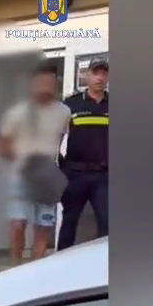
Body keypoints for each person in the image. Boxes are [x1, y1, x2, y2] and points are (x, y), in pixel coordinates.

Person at [0, 63, 71, 266]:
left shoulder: (64, 112)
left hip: (48, 176)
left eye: (50, 82)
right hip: (21, 176)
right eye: (42, 82)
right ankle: (16, 265)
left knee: (44, 224)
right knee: (18, 223)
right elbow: (2, 145)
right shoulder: (18, 113)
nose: (46, 86)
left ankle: (37, 267)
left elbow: (63, 140)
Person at [58, 59, 109, 250]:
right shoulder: (71, 104)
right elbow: (56, 136)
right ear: (87, 75)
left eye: (104, 73)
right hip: (75, 174)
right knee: (69, 221)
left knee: (108, 222)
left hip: (103, 176)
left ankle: (103, 264)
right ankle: (61, 262)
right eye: (96, 73)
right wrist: (61, 167)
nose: (100, 78)